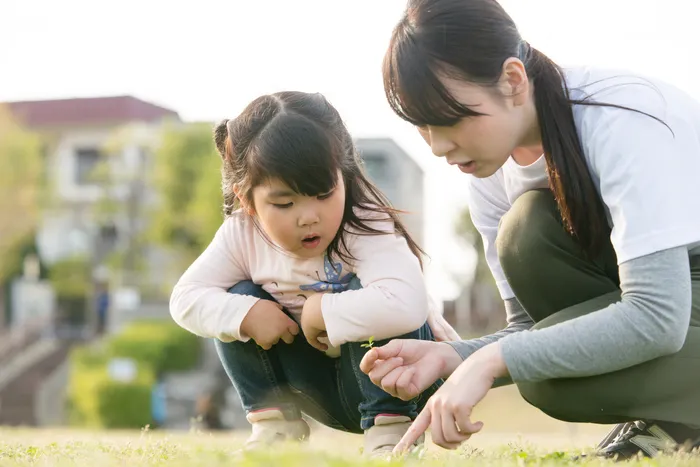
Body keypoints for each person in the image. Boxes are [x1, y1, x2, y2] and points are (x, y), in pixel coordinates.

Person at [359, 0, 700, 460]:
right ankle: (678, 423)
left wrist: (494, 361)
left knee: (541, 372)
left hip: (679, 295)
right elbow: (529, 330)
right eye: (423, 126)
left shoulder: (618, 120)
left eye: (451, 118)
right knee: (527, 236)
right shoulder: (491, 174)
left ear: (513, 80)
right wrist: (456, 357)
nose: (439, 146)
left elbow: (658, 315)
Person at [169, 91, 459, 456]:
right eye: (285, 203)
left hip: (400, 388)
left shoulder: (365, 225)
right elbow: (185, 298)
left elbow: (407, 305)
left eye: (323, 194)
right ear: (247, 200)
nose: (309, 216)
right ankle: (276, 428)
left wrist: (320, 310)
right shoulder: (241, 235)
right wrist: (247, 313)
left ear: (345, 177)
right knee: (235, 294)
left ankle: (392, 431)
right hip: (315, 389)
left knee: (366, 290)